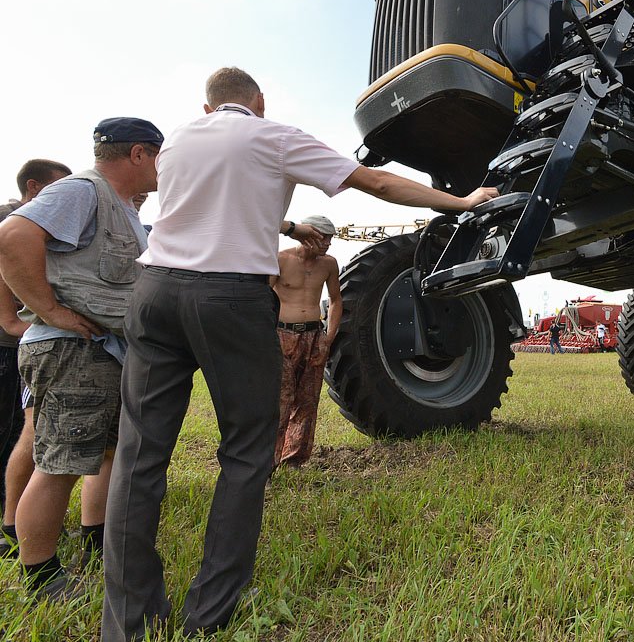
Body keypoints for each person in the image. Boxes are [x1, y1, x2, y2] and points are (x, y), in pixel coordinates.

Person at [102, 66, 498, 641]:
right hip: (230, 296)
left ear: (208, 106)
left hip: (155, 292)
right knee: (245, 451)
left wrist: (281, 222)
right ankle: (210, 611)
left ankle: (128, 621)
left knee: (140, 455)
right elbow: (379, 184)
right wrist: (459, 202)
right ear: (257, 101)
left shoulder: (180, 139)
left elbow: (204, 201)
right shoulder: (274, 135)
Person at [0, 123, 162, 598]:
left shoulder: (123, 207)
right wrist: (50, 311)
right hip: (73, 348)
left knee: (106, 452)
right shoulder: (82, 190)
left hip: (103, 350)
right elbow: (12, 237)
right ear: (138, 154)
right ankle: (41, 575)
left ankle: (95, 541)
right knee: (60, 463)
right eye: (160, 157)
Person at [0, 159, 72, 559]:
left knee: (29, 432)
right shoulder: (19, 220)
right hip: (28, 343)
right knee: (28, 433)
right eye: (60, 188)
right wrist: (11, 320)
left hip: (34, 342)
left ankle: (16, 523)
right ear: (33, 187)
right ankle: (12, 526)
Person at [271, 214, 340, 467]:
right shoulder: (280, 258)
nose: (328, 244)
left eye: (331, 240)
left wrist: (328, 338)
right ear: (309, 235)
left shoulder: (329, 264)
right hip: (282, 335)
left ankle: (295, 460)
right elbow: (265, 297)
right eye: (324, 239)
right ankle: (268, 464)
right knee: (279, 401)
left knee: (307, 401)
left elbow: (335, 300)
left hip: (314, 336)